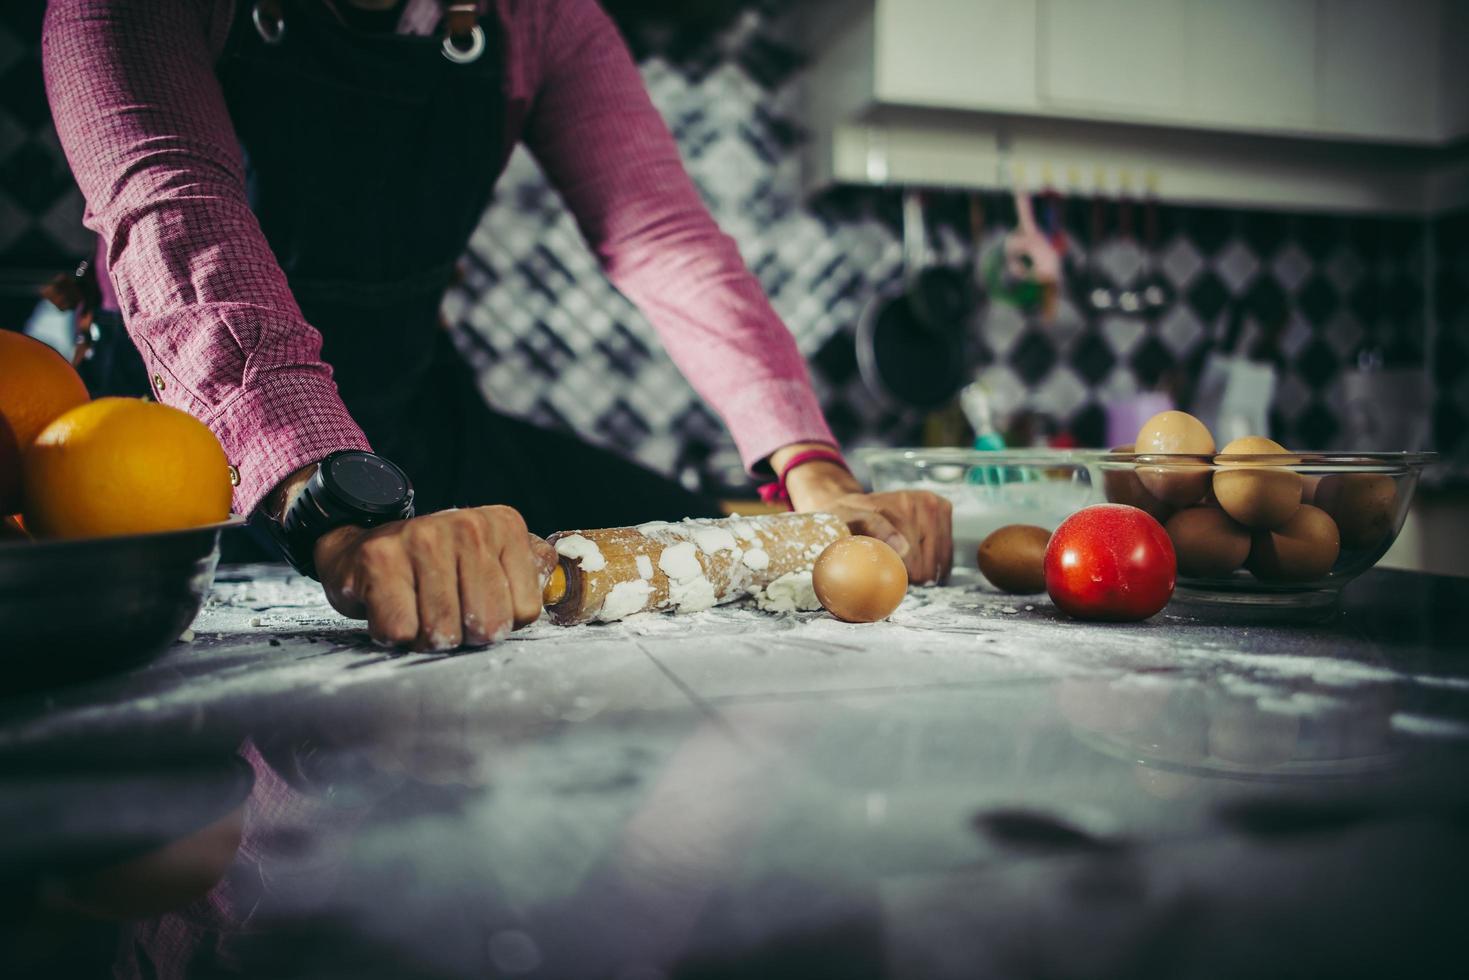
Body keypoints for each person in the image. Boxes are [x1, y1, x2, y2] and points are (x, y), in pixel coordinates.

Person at [43, 0, 952, 650]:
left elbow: (665, 240)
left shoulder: (543, 21)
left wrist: (813, 473)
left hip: (417, 425)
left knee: (675, 530)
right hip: (178, 452)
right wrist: (339, 512)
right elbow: (177, 211)